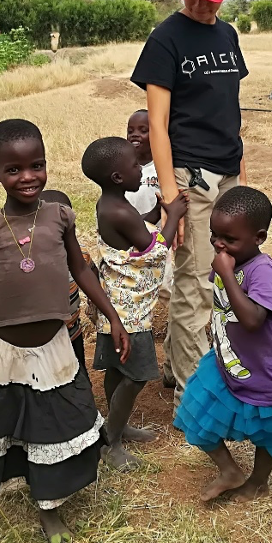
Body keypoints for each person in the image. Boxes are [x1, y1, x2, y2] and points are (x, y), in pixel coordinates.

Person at [0, 119, 130, 543]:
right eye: (13, 169)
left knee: (50, 428)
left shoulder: (60, 217)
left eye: (36, 165)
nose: (27, 176)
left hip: (53, 350)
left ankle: (49, 509)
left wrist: (113, 317)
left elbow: (81, 269)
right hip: (3, 352)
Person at [130, 0, 248, 404]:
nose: (200, 3)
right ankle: (192, 397)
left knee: (224, 276)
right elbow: (157, 125)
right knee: (195, 283)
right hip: (189, 176)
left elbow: (230, 109)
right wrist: (170, 195)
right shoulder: (166, 38)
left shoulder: (228, 35)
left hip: (227, 171)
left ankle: (183, 368)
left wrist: (241, 174)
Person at [173, 186, 272, 502]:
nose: (218, 244)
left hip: (265, 366)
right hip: (229, 360)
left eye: (229, 239)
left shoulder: (261, 270)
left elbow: (253, 320)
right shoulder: (229, 260)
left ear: (259, 237)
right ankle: (230, 471)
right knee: (195, 412)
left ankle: (258, 481)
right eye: (215, 235)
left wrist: (227, 275)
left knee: (270, 428)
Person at [82, 137, 188, 470]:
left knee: (117, 369)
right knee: (137, 375)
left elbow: (134, 228)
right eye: (134, 166)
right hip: (129, 314)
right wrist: (173, 215)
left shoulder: (110, 204)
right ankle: (110, 442)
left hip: (115, 305)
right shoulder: (119, 210)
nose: (140, 170)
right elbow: (153, 250)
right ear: (117, 177)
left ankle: (117, 425)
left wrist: (153, 214)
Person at [124, 109, 176, 383]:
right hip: (129, 249)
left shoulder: (163, 169)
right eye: (131, 130)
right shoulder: (121, 169)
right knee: (132, 304)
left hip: (160, 247)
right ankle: (129, 366)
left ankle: (173, 363)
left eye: (143, 130)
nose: (135, 135)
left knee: (173, 297)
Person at [41, 189, 95, 373]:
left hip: (72, 332)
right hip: (42, 339)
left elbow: (92, 273)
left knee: (79, 375)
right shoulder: (29, 261)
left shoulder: (80, 254)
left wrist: (95, 303)